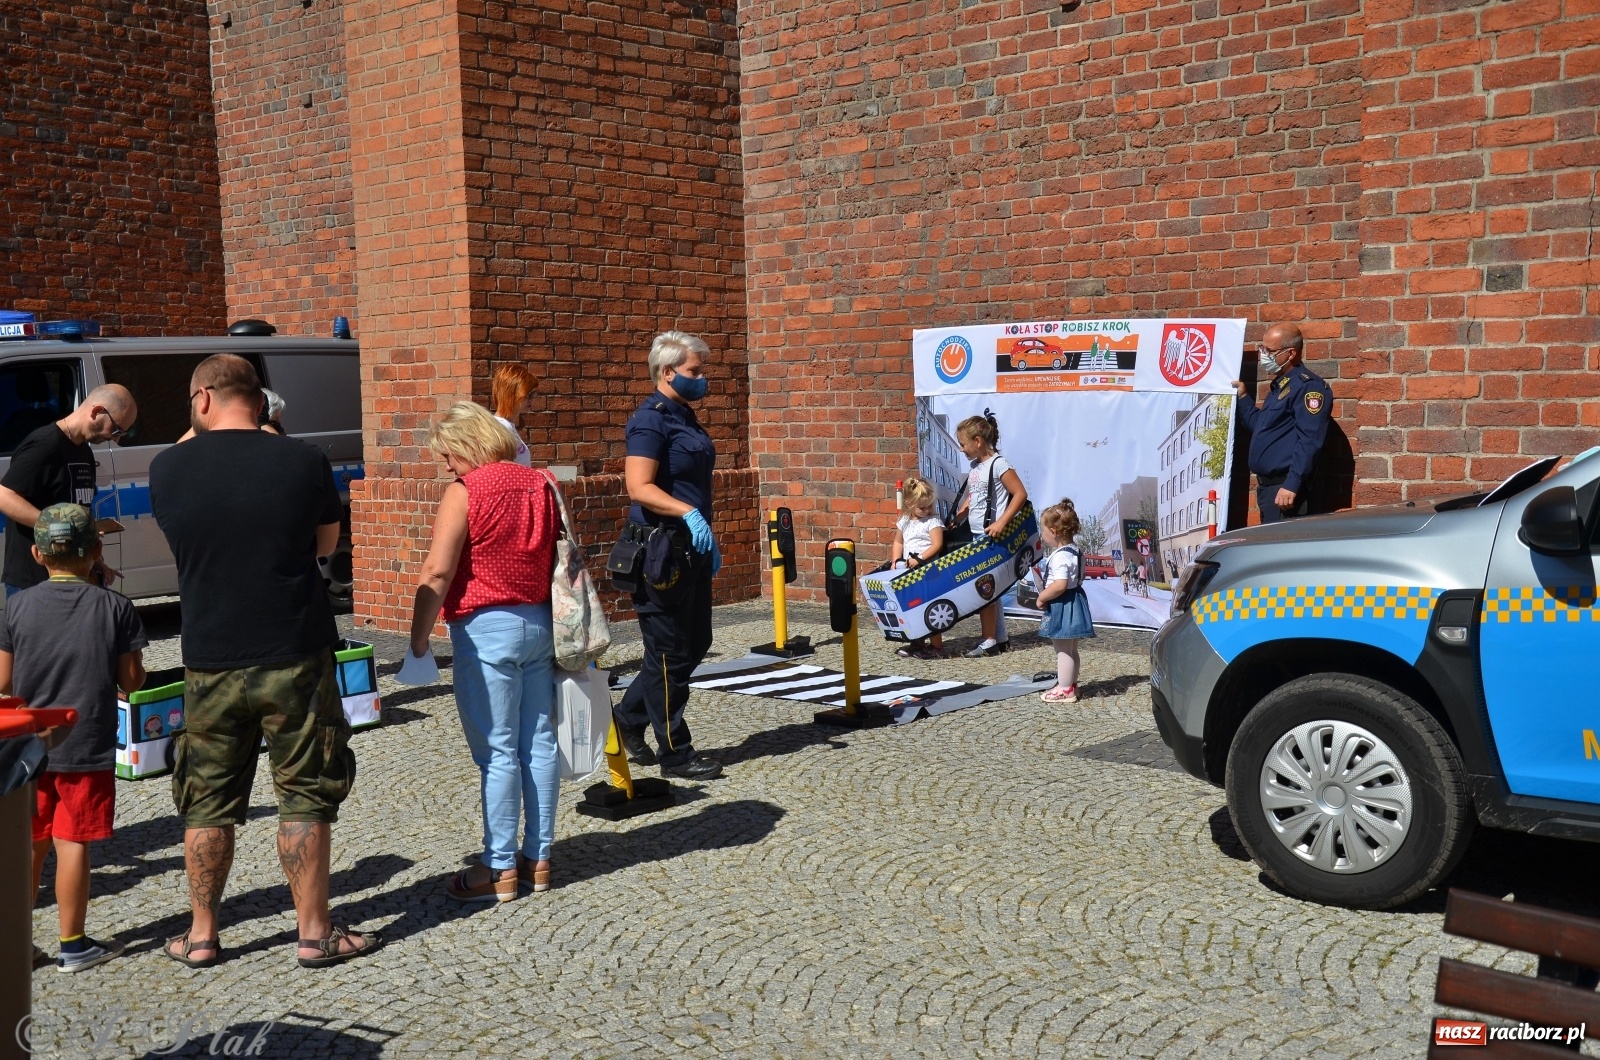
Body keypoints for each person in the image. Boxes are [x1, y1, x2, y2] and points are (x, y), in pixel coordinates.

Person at [149, 353, 377, 969]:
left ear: (201, 400)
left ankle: (201, 936)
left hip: (209, 654)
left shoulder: (167, 467)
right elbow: (326, 546)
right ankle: (313, 934)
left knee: (205, 796)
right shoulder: (303, 460)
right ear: (263, 401)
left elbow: (187, 459)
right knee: (304, 792)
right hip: (293, 646)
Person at [407, 401, 561, 901]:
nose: (447, 465)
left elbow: (437, 571)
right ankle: (538, 858)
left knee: (497, 753)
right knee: (537, 743)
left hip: (486, 627)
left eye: (449, 454)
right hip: (541, 622)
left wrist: (417, 638)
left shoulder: (467, 490)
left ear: (470, 445)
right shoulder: (540, 482)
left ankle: (498, 869)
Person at [0, 504, 146, 972]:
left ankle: (14, 944)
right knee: (72, 841)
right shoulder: (116, 607)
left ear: (37, 555)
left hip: (26, 746)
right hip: (84, 745)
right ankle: (73, 944)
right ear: (97, 552)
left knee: (30, 843)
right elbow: (132, 679)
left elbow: (3, 683)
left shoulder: (16, 606)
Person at [613, 331, 723, 780]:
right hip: (660, 553)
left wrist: (703, 532)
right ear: (667, 372)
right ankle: (675, 752)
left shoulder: (685, 417)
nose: (702, 378)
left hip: (689, 550)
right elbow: (639, 486)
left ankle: (626, 720)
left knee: (695, 644)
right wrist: (689, 513)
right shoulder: (650, 420)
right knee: (668, 653)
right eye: (695, 371)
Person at [0, 384, 136, 596]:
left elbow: (79, 511)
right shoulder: (45, 445)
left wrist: (94, 560)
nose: (116, 439)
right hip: (33, 582)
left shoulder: (84, 453)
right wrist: (57, 525)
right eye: (116, 430)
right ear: (97, 411)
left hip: (73, 578)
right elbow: (4, 495)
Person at [1232, 322, 1332, 524]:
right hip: (1270, 490)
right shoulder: (1280, 387)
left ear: (1291, 353)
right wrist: (1243, 397)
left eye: (1270, 351)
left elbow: (1310, 440)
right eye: (1262, 349)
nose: (1263, 355)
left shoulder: (1307, 387)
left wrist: (1292, 484)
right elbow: (1261, 427)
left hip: (1286, 490)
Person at [953, 410, 1027, 657]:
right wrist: (962, 512)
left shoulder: (999, 464)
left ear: (978, 441)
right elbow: (976, 496)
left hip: (990, 537)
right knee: (990, 589)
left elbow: (1019, 494)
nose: (961, 450)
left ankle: (988, 640)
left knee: (984, 588)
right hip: (976, 535)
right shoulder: (976, 468)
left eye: (963, 444)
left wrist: (1001, 523)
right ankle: (1000, 638)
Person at [1035, 499, 1095, 704]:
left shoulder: (1060, 556)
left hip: (1063, 604)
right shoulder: (1076, 551)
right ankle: (1071, 683)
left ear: (1054, 531)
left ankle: (1065, 688)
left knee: (1062, 650)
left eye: (1043, 530)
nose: (1042, 535)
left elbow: (1060, 584)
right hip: (1075, 601)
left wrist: (1042, 596)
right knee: (1071, 649)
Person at [889, 476, 947, 660]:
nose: (927, 510)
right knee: (912, 608)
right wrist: (895, 561)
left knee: (930, 608)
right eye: (922, 507)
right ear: (909, 503)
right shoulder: (905, 521)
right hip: (909, 572)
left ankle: (936, 646)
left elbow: (937, 545)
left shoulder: (933, 522)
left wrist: (920, 558)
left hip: (928, 572)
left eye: (930, 506)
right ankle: (918, 642)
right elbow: (898, 542)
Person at [490, 363, 536, 467]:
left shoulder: (505, 426)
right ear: (511, 395)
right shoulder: (499, 429)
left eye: (534, 394)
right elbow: (500, 470)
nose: (532, 399)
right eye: (528, 395)